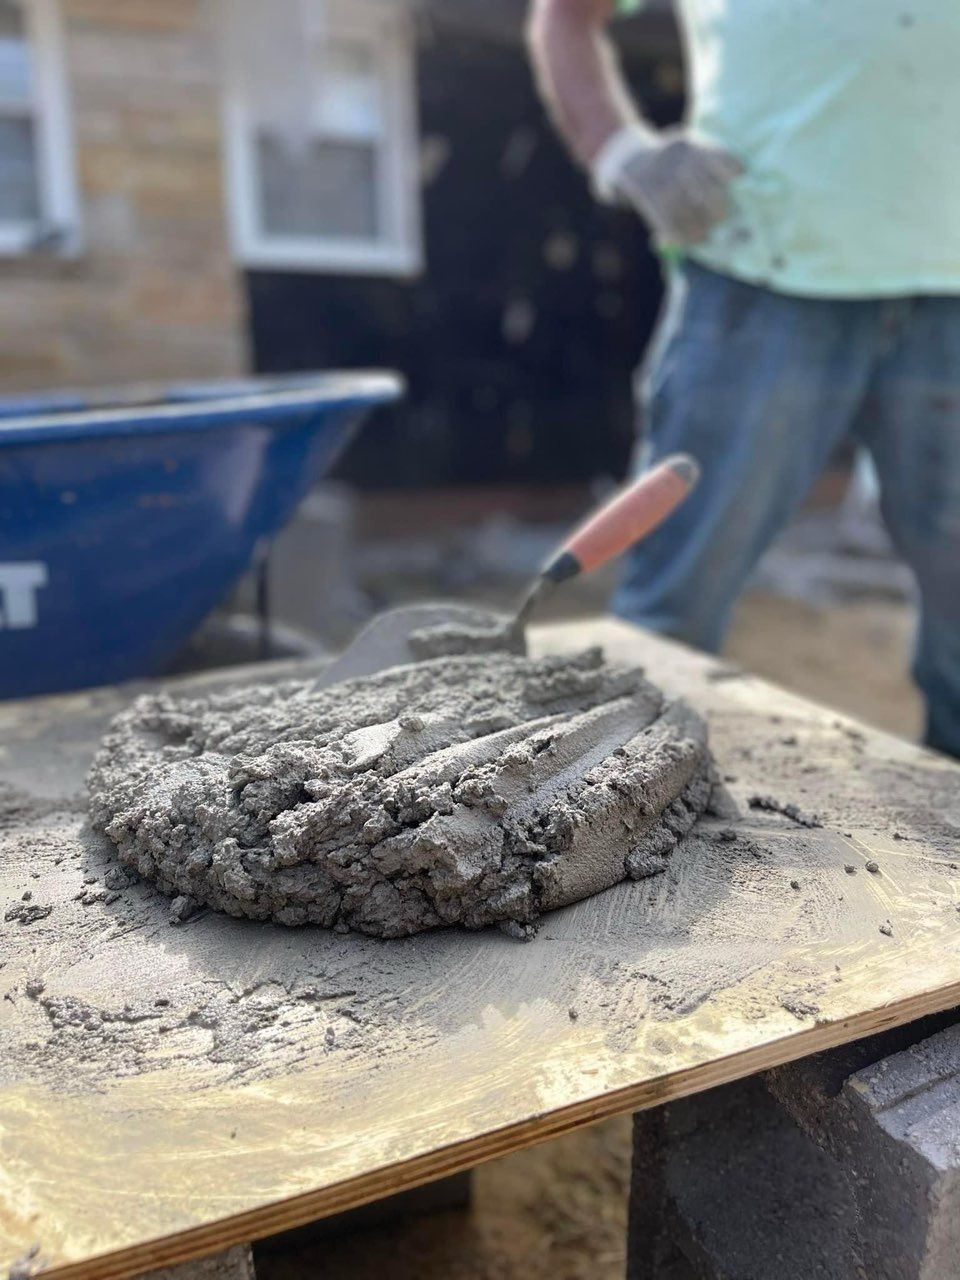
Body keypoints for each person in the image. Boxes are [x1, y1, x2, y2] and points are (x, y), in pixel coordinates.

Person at [527, 0, 960, 758]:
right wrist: (622, 154)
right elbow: (566, 14)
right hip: (758, 283)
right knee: (674, 608)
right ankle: (611, 801)